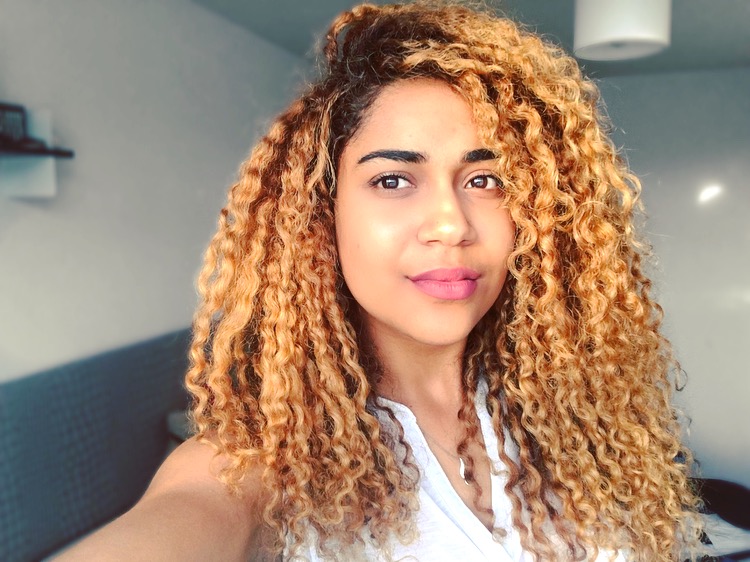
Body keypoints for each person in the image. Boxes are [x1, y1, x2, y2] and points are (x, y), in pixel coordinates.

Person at [58, 2, 705, 561]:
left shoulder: (576, 414)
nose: (451, 224)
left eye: (485, 179)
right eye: (393, 179)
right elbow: (190, 512)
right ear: (323, 215)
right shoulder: (263, 462)